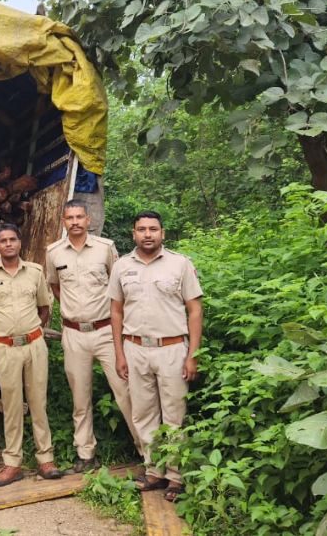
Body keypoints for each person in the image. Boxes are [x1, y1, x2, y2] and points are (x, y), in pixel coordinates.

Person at [109, 211, 203, 503]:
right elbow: (116, 311)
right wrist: (120, 353)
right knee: (143, 413)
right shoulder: (122, 266)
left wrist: (192, 355)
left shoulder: (180, 264)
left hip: (172, 349)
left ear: (163, 233)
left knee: (174, 415)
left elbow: (195, 310)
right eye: (141, 229)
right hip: (135, 349)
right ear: (133, 234)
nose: (147, 234)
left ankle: (176, 477)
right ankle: (154, 470)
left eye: (153, 229)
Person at [46, 200, 142, 474]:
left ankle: (149, 453)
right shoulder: (53, 252)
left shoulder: (105, 248)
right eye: (69, 218)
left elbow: (119, 286)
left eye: (79, 217)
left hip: (106, 333)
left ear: (88, 220)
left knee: (126, 392)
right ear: (64, 222)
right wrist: (75, 311)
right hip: (74, 334)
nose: (74, 222)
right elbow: (54, 285)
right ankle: (86, 454)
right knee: (80, 398)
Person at [0, 223, 63, 486]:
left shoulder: (35, 272)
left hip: (34, 346)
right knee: (11, 407)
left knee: (38, 403)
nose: (8, 244)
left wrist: (32, 331)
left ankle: (45, 460)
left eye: (12, 239)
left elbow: (44, 307)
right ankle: (12, 463)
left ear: (20, 243)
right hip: (5, 349)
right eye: (3, 241)